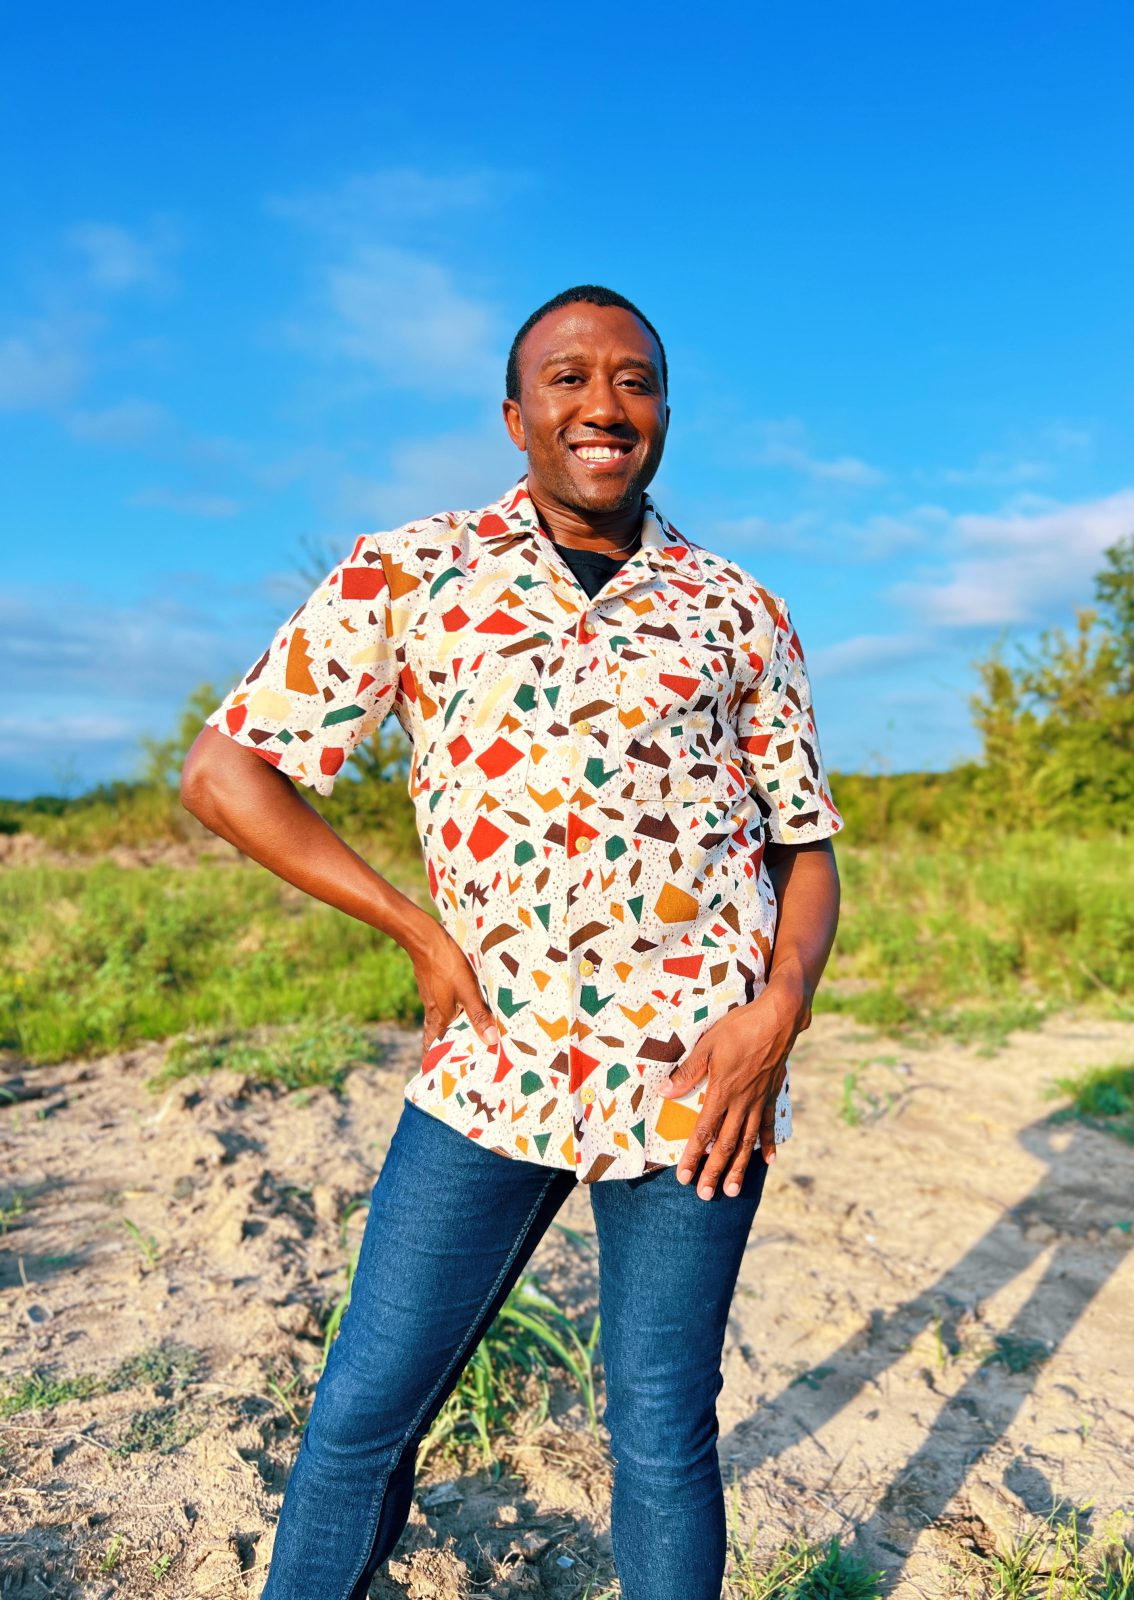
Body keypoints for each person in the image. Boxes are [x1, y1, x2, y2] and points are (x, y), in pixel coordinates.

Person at [181, 284, 843, 1600]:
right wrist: (415, 931)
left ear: (665, 413)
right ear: (515, 415)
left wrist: (780, 1011)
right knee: (361, 1414)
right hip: (496, 1059)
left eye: (636, 381)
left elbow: (803, 845)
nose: (606, 405)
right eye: (570, 378)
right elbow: (226, 773)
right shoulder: (411, 571)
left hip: (699, 1077)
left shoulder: (740, 611)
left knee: (662, 1431)